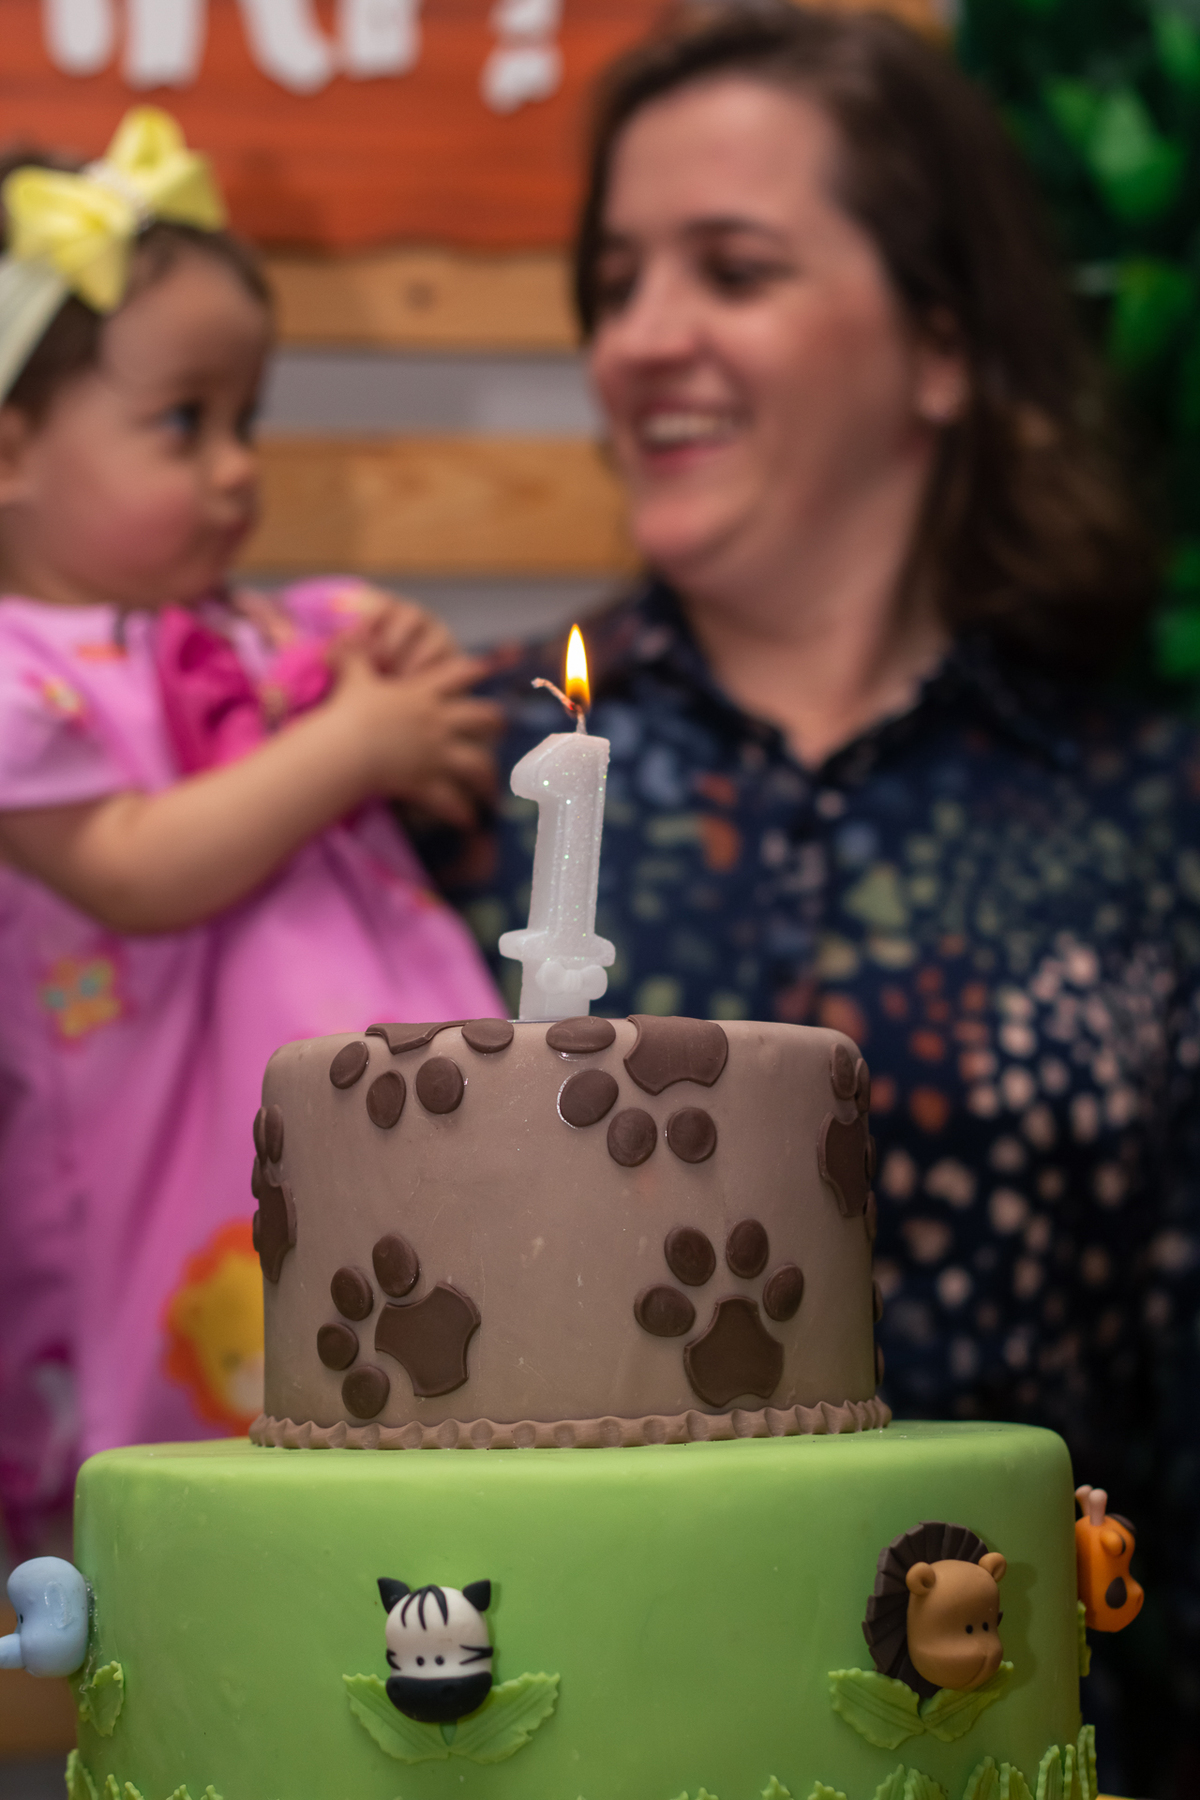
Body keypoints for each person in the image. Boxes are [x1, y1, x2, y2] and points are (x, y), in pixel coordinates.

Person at [431, 5, 1198, 1790]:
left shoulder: (1151, 809)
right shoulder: (453, 779)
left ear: (940, 343)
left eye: (734, 268)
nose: (641, 337)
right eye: (614, 282)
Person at [0, 108, 504, 1563]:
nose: (236, 469)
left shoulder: (253, 629)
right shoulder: (23, 679)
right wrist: (350, 744)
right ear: (12, 449)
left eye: (249, 421)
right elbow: (136, 868)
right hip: (166, 1162)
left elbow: (384, 687)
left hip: (388, 1132)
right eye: (186, 422)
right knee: (199, 1487)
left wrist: (391, 655)